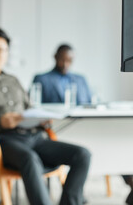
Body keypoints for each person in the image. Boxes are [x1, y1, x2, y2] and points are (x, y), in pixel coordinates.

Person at [0, 27, 91, 205]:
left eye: (0, 49)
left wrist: (41, 118)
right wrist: (0, 121)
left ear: (7, 53)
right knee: (30, 158)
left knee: (82, 155)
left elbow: (29, 109)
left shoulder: (13, 81)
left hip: (33, 137)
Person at [33, 44, 133, 205]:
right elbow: (35, 106)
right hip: (58, 130)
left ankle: (130, 181)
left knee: (111, 141)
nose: (65, 64)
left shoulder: (80, 79)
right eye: (62, 59)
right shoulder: (42, 79)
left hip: (86, 126)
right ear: (55, 57)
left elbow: (90, 102)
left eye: (69, 60)